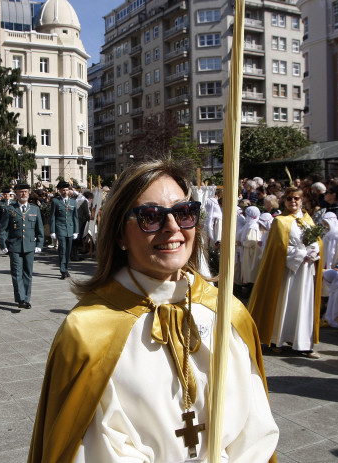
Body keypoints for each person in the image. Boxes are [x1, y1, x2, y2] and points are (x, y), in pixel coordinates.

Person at [29, 159, 279, 462]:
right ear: (120, 233)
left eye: (184, 212)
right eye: (151, 216)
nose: (172, 227)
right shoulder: (88, 331)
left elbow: (256, 427)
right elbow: (93, 447)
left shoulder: (227, 313)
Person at [247, 187, 324, 359]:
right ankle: (277, 340)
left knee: (303, 305)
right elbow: (278, 248)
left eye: (296, 198)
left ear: (302, 200)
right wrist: (302, 254)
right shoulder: (280, 221)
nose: (293, 201)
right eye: (289, 199)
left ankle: (303, 344)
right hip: (288, 272)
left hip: (305, 270)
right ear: (285, 201)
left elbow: (317, 241)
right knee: (285, 304)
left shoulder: (307, 219)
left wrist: (315, 249)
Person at [0, 183, 44, 309]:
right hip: (14, 246)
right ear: (16, 194)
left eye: (25, 191)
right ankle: (21, 299)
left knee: (28, 273)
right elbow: (3, 229)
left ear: (29, 193)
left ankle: (26, 297)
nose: (23, 194)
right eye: (20, 192)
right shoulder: (10, 209)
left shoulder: (35, 209)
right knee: (16, 272)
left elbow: (39, 228)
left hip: (30, 246)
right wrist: (3, 243)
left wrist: (39, 244)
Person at [50, 180, 79, 279]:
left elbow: (75, 217)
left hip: (70, 229)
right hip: (60, 227)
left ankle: (66, 268)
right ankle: (63, 270)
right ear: (59, 190)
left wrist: (76, 231)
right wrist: (52, 231)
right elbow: (52, 217)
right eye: (63, 190)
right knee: (62, 249)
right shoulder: (55, 201)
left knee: (68, 250)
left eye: (67, 190)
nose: (65, 192)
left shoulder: (73, 201)